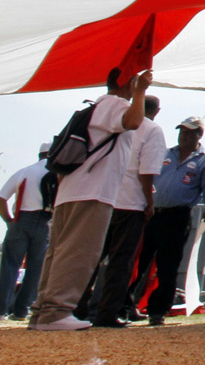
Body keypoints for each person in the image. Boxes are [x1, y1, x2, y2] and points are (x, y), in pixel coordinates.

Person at [30, 68, 150, 332]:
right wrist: (140, 92)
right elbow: (131, 122)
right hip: (94, 191)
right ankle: (57, 311)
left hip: (72, 189)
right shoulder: (115, 104)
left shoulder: (96, 106)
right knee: (80, 251)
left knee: (59, 251)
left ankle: (43, 310)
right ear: (126, 83)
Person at [83, 93, 166, 327]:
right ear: (156, 111)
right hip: (130, 202)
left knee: (91, 257)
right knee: (121, 261)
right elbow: (147, 170)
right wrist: (149, 201)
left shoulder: (113, 121)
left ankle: (77, 308)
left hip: (103, 196)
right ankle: (106, 312)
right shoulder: (151, 130)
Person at [141, 116, 205, 326]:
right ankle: (127, 305)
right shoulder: (165, 154)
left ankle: (157, 311)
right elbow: (148, 177)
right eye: (182, 131)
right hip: (151, 213)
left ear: (199, 135)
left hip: (177, 216)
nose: (184, 136)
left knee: (168, 265)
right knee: (139, 261)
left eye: (189, 132)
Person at [0, 144, 55, 322]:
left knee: (10, 266)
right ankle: (21, 311)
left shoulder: (25, 171)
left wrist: (9, 221)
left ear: (39, 154)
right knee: (35, 269)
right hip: (46, 222)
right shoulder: (56, 173)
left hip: (22, 218)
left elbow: (1, 198)